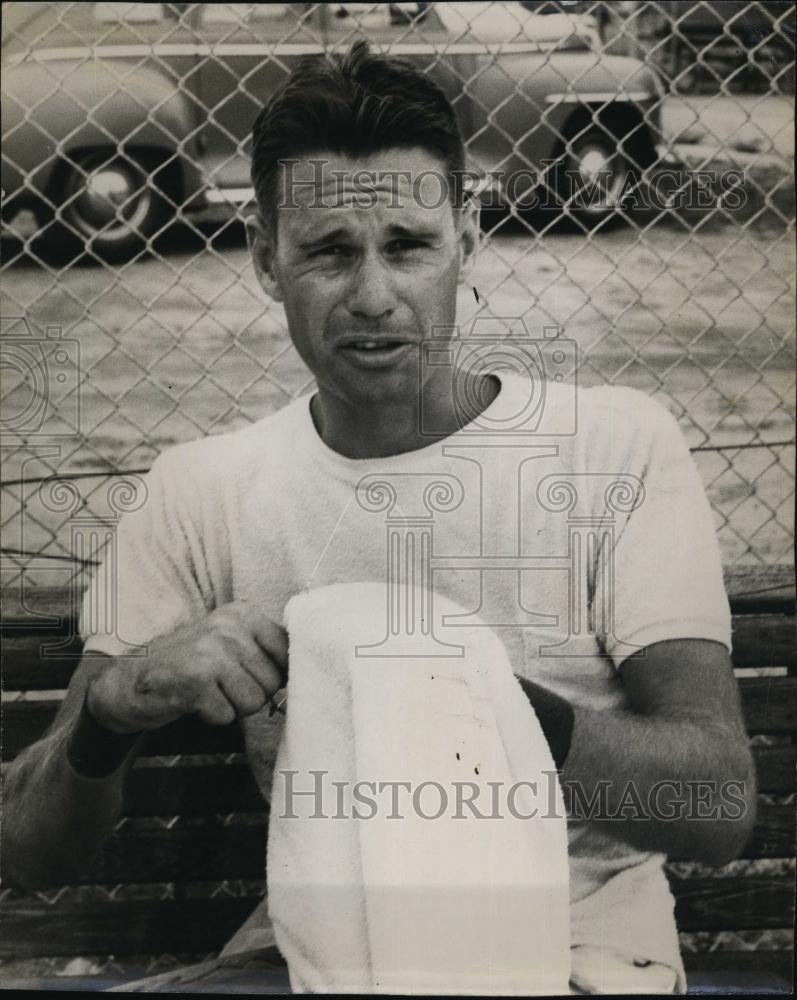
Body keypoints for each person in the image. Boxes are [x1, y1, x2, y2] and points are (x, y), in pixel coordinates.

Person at [3, 41, 755, 994]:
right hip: (310, 958)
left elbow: (717, 807)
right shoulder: (203, 487)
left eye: (407, 245)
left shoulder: (610, 447)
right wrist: (111, 714)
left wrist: (475, 703)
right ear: (265, 258)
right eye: (326, 251)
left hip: (574, 957)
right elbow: (29, 856)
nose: (371, 296)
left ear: (466, 238)